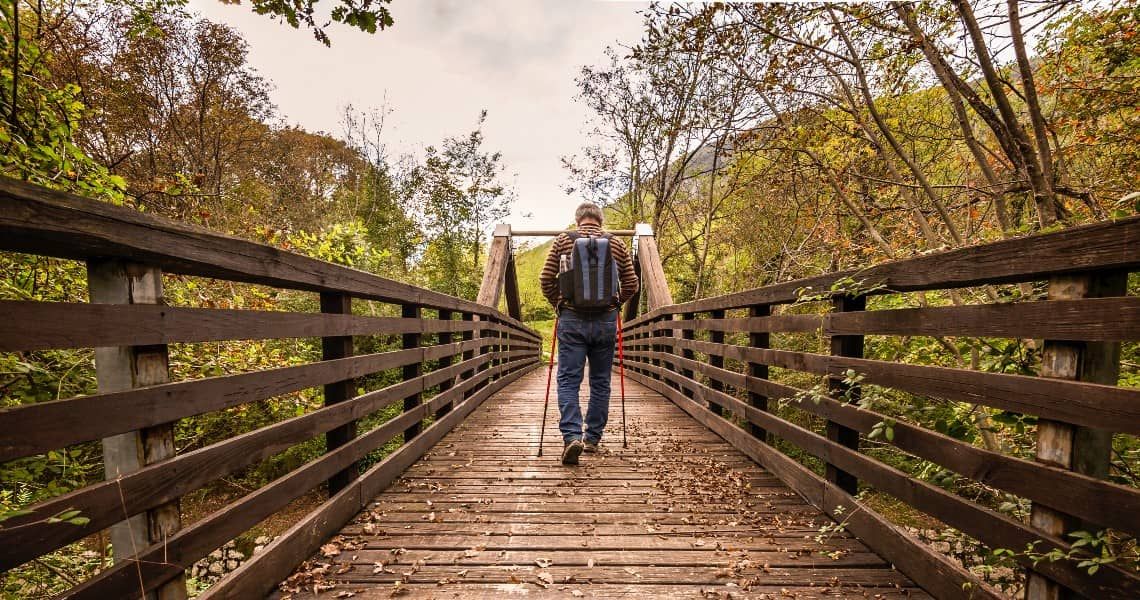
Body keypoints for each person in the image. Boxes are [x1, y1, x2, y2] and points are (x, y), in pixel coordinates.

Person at [539, 202, 639, 465]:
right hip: (606, 320)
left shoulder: (564, 240)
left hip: (572, 319)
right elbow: (631, 283)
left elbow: (546, 279)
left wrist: (559, 304)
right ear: (600, 221)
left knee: (569, 380)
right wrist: (615, 304)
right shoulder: (616, 243)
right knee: (600, 380)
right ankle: (592, 438)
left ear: (578, 220)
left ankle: (572, 436)